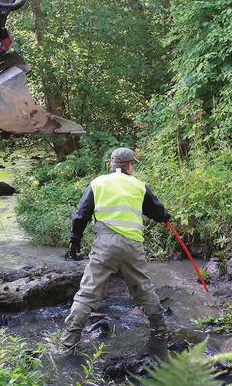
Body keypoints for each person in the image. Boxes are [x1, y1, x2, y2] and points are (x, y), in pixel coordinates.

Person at [60, 147, 172, 349]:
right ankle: (161, 331)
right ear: (130, 165)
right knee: (144, 289)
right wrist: (165, 217)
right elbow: (156, 211)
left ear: (111, 164)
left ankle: (69, 342)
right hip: (132, 246)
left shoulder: (97, 183)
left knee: (87, 293)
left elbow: (80, 215)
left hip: (105, 245)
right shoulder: (139, 186)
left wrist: (74, 241)